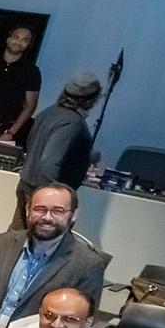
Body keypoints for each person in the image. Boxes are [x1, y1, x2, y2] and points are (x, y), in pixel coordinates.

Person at [0, 184, 108, 328]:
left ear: (73, 215)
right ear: (28, 210)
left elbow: (76, 326)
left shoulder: (87, 265)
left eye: (58, 211)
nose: (47, 217)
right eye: (40, 209)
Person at [15, 73, 100, 222]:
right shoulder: (72, 122)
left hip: (26, 185)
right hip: (42, 193)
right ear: (91, 100)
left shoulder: (48, 113)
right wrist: (53, 201)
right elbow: (49, 163)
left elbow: (31, 145)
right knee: (41, 242)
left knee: (16, 238)